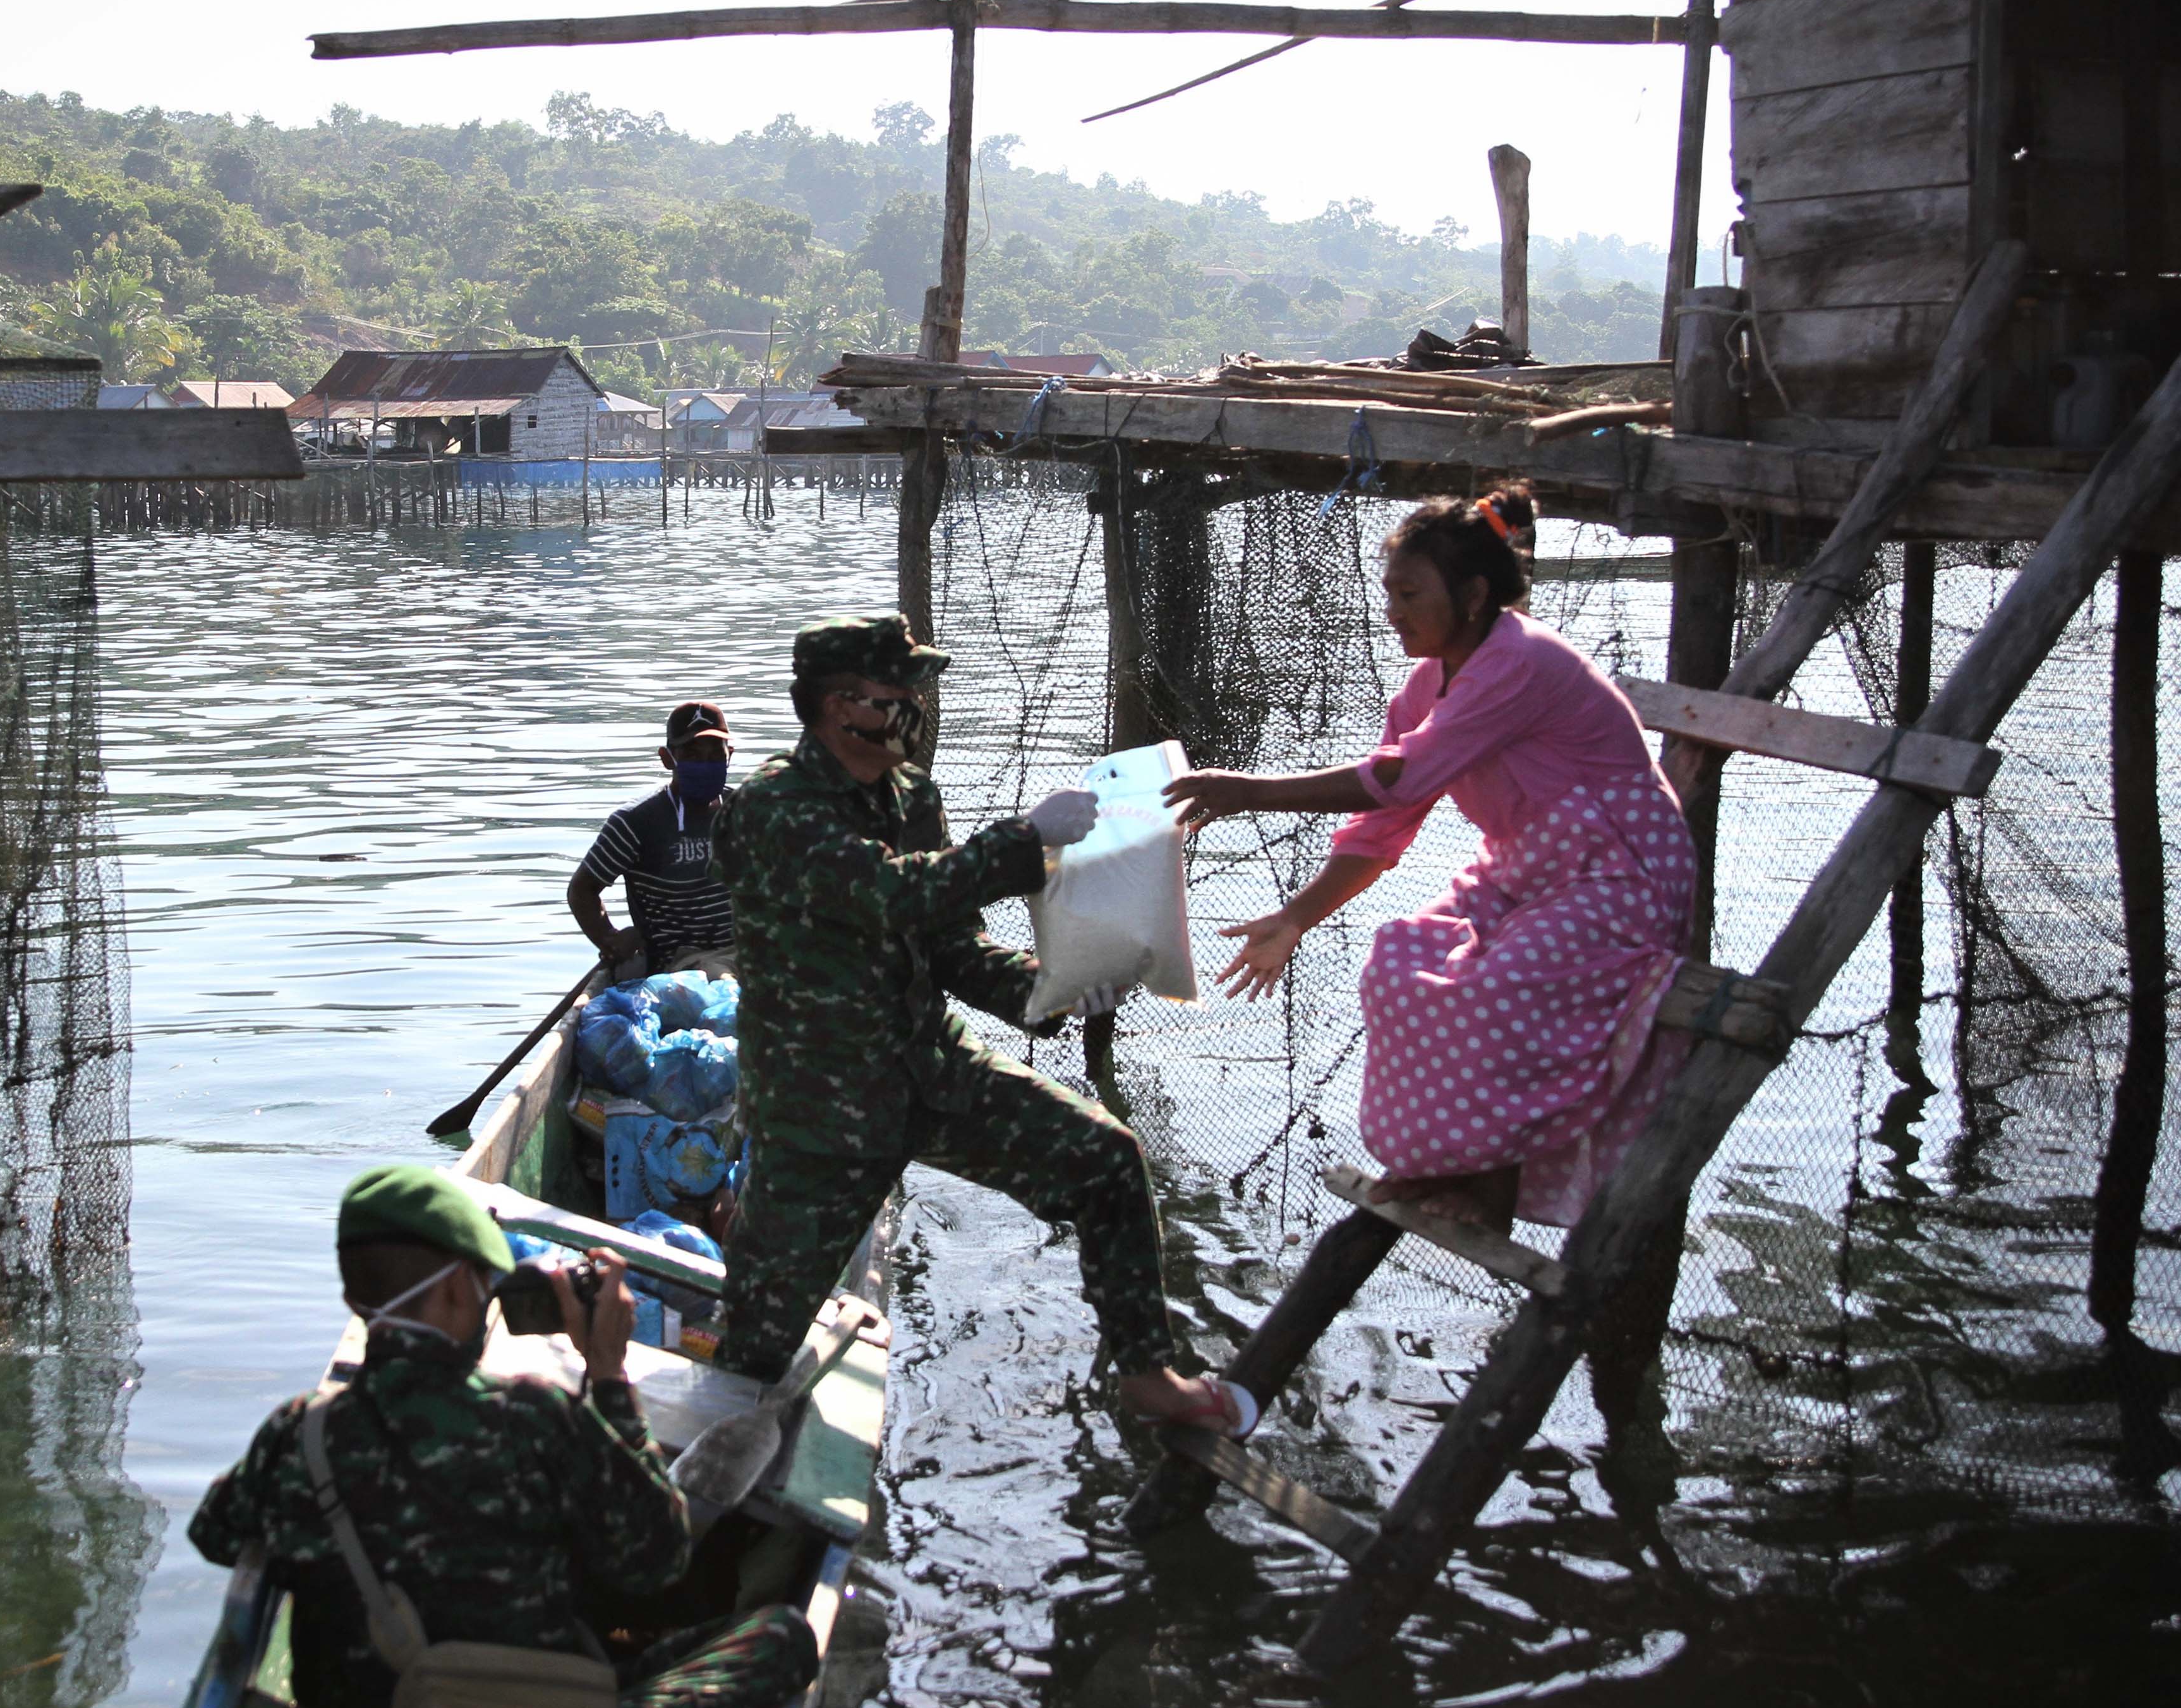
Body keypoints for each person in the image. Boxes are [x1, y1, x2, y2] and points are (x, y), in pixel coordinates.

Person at [710, 613, 1252, 1436]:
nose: (915, 710)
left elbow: (950, 945)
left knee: (1104, 1161)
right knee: (753, 1349)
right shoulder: (768, 811)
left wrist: (1054, 989)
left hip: (929, 1071)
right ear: (839, 704)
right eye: (899, 694)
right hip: (816, 1110)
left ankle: (1146, 1372)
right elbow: (895, 893)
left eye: (915, 692)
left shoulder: (909, 796)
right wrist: (1025, 839)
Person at [1164, 483, 1696, 1233]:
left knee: (1497, 988)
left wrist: (1250, 790)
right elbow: (1386, 821)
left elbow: (1398, 779)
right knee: (1396, 962)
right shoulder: (1426, 689)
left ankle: (1489, 1187)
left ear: (1473, 594)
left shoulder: (1518, 660)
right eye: (1389, 593)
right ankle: (1439, 1168)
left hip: (1618, 873)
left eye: (1410, 593)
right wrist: (1295, 918)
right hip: (1528, 873)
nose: (1393, 612)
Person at [187, 1165, 816, 1708]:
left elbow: (216, 1534)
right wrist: (606, 1374)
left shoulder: (300, 1432)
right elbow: (658, 1559)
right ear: (461, 1290)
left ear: (356, 1305)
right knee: (782, 1637)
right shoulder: (536, 1418)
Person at [572, 701, 739, 981]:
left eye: (715, 755)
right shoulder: (638, 821)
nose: (705, 764)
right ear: (667, 758)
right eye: (692, 755)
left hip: (748, 949)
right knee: (722, 980)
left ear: (729, 755)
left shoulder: (744, 811)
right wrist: (610, 938)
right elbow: (583, 890)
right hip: (682, 964)